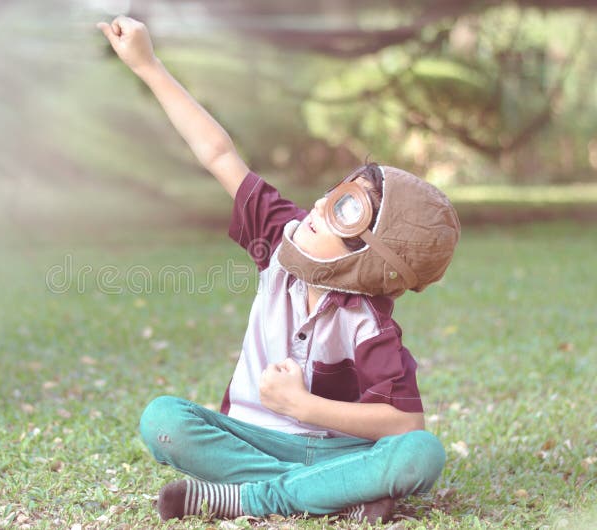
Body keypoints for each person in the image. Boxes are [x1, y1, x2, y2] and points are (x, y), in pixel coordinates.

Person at [97, 16, 460, 523]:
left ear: (374, 258)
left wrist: (304, 407)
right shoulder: (280, 242)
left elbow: (406, 423)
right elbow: (219, 153)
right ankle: (336, 495)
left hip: (340, 450)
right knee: (163, 420)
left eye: (343, 210)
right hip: (253, 438)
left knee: (421, 453)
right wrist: (148, 64)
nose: (316, 205)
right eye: (333, 193)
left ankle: (252, 499)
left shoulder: (369, 324)